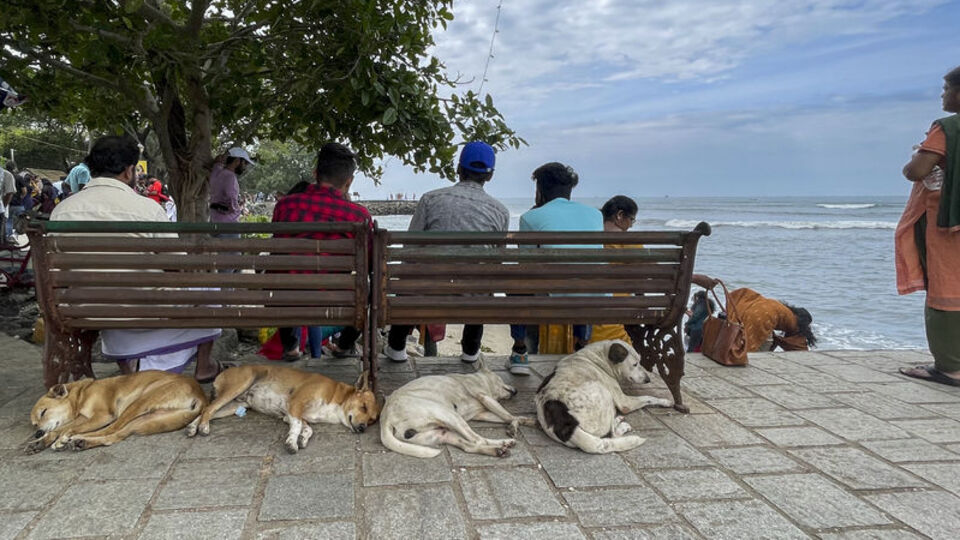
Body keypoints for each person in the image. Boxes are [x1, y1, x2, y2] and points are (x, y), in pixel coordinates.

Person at [50, 136, 223, 379]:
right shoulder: (146, 208)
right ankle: (203, 365)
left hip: (86, 311)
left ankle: (130, 366)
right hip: (143, 310)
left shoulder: (62, 211)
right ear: (129, 170)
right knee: (211, 292)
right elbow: (176, 266)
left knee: (111, 296)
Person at [385, 141, 510, 364]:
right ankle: (471, 350)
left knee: (414, 274)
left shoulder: (430, 199)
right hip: (473, 296)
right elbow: (497, 261)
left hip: (426, 291)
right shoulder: (500, 211)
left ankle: (396, 345)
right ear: (489, 176)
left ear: (458, 169)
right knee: (482, 280)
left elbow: (409, 248)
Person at [271, 142, 372, 361]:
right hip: (333, 298)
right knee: (370, 287)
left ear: (315, 173)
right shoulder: (359, 216)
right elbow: (371, 263)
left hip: (288, 297)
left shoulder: (285, 206)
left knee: (281, 277)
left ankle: (290, 346)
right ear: (349, 181)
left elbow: (277, 252)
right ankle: (344, 345)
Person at [508, 162, 603, 375]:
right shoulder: (596, 215)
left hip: (553, 295)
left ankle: (520, 351)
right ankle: (581, 344)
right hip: (593, 296)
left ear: (539, 190)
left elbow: (526, 265)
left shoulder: (530, 218)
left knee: (517, 282)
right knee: (583, 279)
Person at [898, 66, 960, 387]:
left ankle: (949, 367)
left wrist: (913, 161)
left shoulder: (947, 127)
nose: (942, 94)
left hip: (947, 221)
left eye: (946, 88)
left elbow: (918, 170)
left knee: (945, 289)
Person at [691, 275, 816, 352]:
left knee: (741, 337)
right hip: (762, 316)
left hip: (752, 308)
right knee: (748, 350)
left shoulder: (782, 309)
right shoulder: (795, 324)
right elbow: (797, 348)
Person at [588, 195, 639, 345]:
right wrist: (695, 278)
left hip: (582, 306)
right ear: (620, 215)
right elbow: (658, 272)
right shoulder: (629, 243)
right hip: (618, 309)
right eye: (631, 220)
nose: (631, 226)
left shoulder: (587, 237)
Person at [209, 147, 254, 224]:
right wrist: (238, 209)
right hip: (229, 223)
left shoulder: (217, 172)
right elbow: (231, 199)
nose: (245, 167)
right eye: (244, 163)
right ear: (237, 161)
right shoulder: (230, 177)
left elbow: (217, 164)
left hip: (214, 220)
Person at [1, 162, 17, 244]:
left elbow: (9, 193)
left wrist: (3, 206)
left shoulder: (6, 175)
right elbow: (9, 193)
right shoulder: (8, 175)